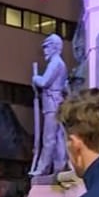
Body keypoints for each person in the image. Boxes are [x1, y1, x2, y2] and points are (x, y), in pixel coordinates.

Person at [29, 34, 69, 178]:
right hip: (55, 103)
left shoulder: (56, 63)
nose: (45, 50)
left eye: (47, 47)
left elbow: (45, 82)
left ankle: (43, 168)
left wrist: (35, 78)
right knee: (58, 138)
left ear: (54, 47)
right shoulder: (60, 63)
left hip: (52, 104)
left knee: (49, 137)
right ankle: (60, 165)